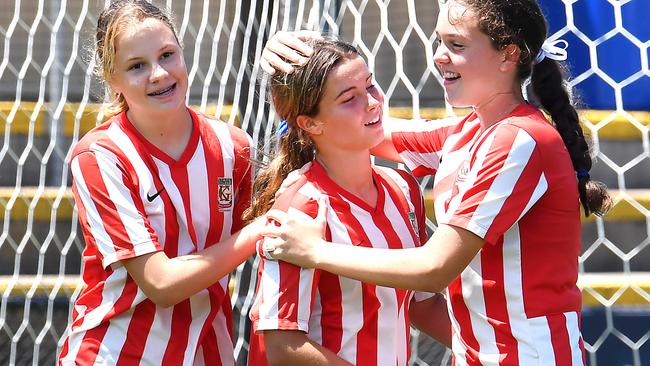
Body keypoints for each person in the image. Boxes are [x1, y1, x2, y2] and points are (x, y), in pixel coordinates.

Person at [258, 1, 612, 365]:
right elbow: (351, 129)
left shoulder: (519, 140)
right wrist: (300, 61)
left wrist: (314, 251)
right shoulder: (466, 132)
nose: (440, 56)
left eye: (457, 45)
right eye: (438, 41)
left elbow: (434, 268)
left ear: (508, 55)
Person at [58, 1, 263, 364]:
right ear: (113, 79)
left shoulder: (233, 148)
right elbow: (161, 284)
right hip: (117, 353)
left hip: (209, 352)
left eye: (167, 55)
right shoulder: (101, 156)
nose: (158, 73)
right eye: (137, 66)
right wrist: (260, 230)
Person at [243, 37, 451, 366]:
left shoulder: (402, 188)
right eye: (349, 98)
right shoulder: (302, 206)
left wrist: (490, 350)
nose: (371, 102)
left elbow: (420, 303)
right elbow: (281, 343)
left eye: (370, 85)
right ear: (310, 123)